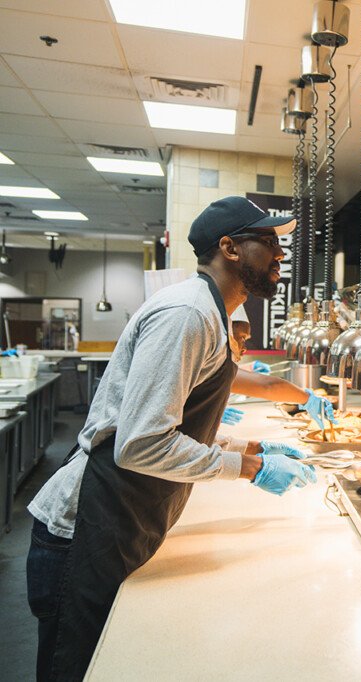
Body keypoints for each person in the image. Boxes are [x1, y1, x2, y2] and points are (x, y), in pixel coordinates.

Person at [25, 196, 334, 681]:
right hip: (84, 528)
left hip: (120, 518)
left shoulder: (210, 315)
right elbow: (141, 444)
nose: (280, 254)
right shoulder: (187, 315)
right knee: (75, 670)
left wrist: (251, 448)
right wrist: (249, 469)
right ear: (229, 248)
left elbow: (174, 426)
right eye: (269, 242)